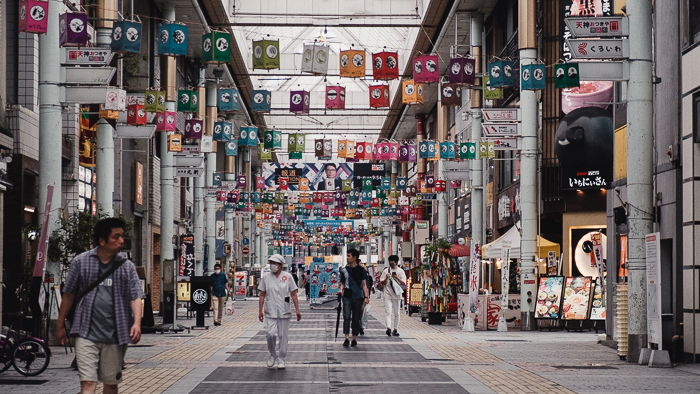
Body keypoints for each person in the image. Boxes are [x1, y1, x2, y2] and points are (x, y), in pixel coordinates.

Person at [55, 218, 144, 394]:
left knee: (110, 384)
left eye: (122, 237)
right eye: (116, 237)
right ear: (102, 241)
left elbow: (135, 297)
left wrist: (137, 323)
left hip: (115, 334)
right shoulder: (81, 262)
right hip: (85, 331)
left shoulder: (126, 267)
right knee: (88, 384)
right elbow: (68, 294)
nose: (121, 241)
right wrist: (60, 324)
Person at [258, 254, 302, 370]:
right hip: (270, 310)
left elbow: (293, 294)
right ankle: (273, 355)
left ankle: (281, 358)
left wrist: (297, 310)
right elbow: (262, 294)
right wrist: (260, 311)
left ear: (281, 265)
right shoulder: (266, 277)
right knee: (270, 334)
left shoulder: (287, 277)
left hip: (284, 310)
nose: (273, 265)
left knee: (283, 336)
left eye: (275, 263)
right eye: (271, 262)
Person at [339, 248, 369, 347]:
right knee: (346, 317)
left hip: (358, 297)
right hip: (347, 296)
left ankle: (354, 338)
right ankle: (346, 338)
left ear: (355, 257)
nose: (347, 258)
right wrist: (340, 290)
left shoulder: (361, 270)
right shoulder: (344, 270)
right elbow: (342, 283)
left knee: (356, 318)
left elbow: (364, 284)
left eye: (349, 256)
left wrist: (366, 297)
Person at [380, 255, 406, 337]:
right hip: (387, 294)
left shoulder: (401, 271)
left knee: (397, 313)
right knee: (388, 312)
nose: (391, 263)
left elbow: (404, 283)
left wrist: (396, 278)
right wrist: (386, 278)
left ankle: (395, 329)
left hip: (397, 294)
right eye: (390, 261)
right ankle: (388, 328)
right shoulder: (386, 271)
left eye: (393, 261)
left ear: (396, 262)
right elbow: (382, 283)